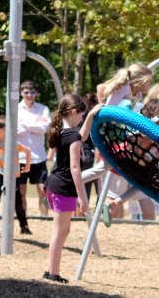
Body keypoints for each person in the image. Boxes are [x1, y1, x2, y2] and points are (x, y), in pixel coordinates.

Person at [42, 94, 97, 284]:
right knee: (59, 232)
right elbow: (75, 168)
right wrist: (82, 197)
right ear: (73, 112)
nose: (82, 118)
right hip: (64, 187)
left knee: (63, 231)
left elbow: (81, 136)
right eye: (81, 115)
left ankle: (50, 269)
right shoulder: (72, 136)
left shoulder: (62, 132)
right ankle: (53, 274)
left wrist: (90, 116)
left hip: (54, 184)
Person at [17, 80, 51, 220]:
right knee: (21, 191)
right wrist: (36, 125)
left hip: (39, 157)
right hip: (20, 158)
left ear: (36, 93)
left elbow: (44, 128)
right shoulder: (15, 109)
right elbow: (15, 130)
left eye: (32, 92)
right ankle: (22, 219)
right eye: (26, 92)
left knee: (43, 189)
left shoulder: (43, 109)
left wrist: (25, 125)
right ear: (21, 92)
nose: (29, 95)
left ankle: (44, 218)